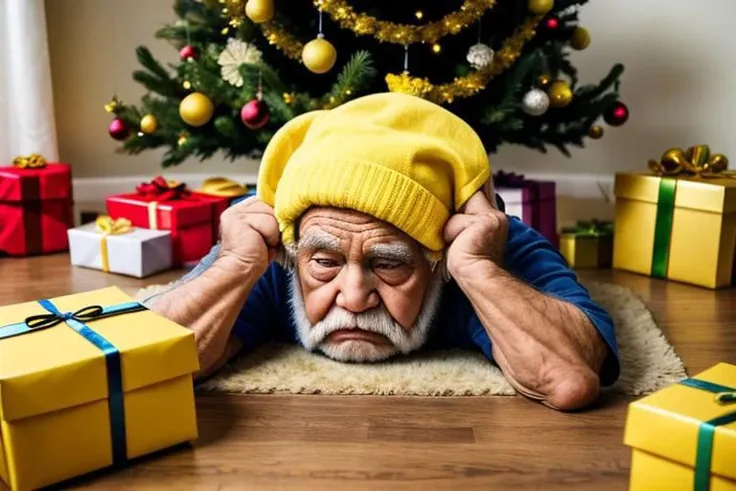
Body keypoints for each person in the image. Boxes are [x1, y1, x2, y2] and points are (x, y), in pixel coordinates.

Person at [145, 93, 619, 412]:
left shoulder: (490, 247)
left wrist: (478, 269)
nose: (353, 298)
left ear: (437, 259)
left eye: (390, 263)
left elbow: (569, 380)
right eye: (326, 263)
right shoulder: (269, 251)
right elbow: (133, 361)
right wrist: (235, 265)